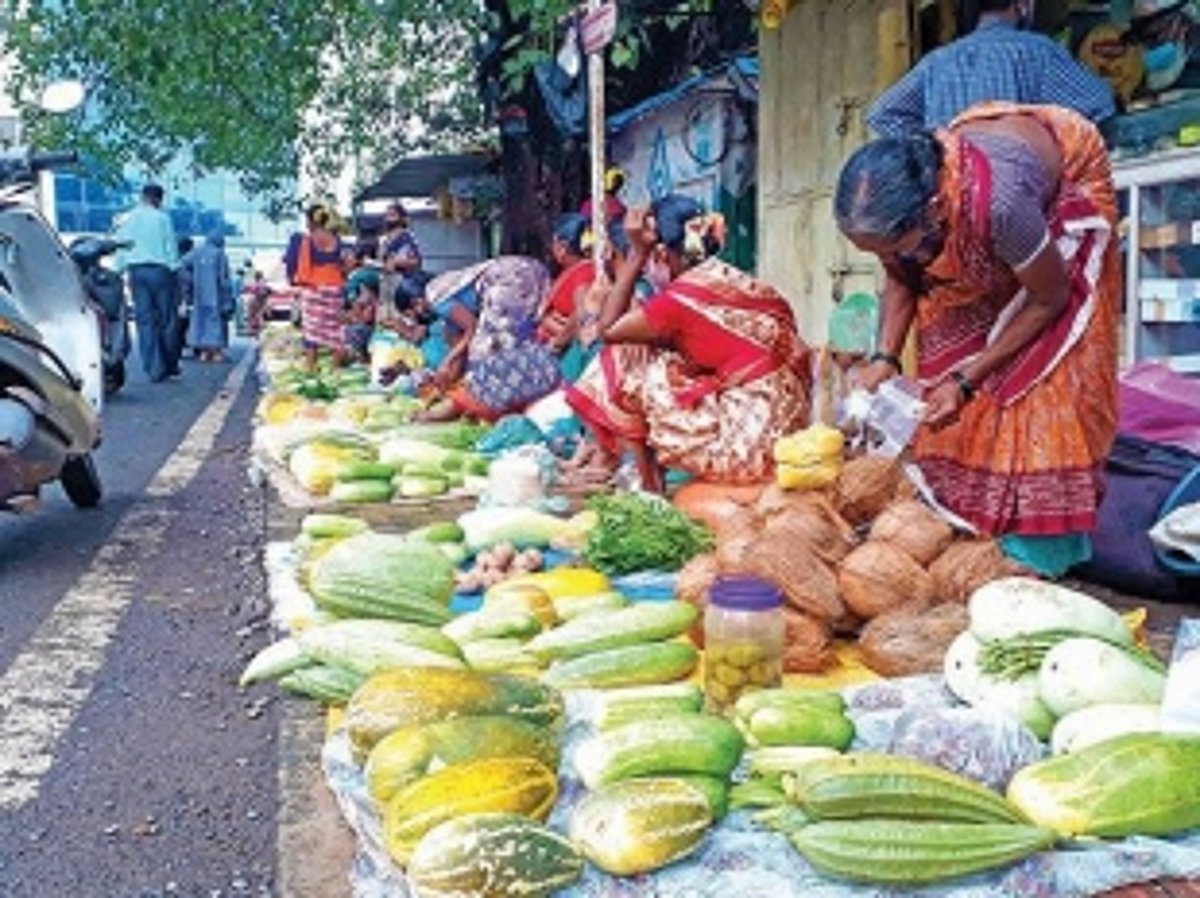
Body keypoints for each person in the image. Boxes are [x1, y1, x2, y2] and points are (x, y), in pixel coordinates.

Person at [834, 101, 1121, 576]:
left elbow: (1051, 298)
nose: (892, 258)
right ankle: (967, 529)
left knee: (1037, 389)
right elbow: (902, 275)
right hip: (983, 214)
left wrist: (968, 379)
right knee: (944, 394)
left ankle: (1034, 563)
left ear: (931, 210)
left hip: (1062, 201)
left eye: (898, 247)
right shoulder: (902, 220)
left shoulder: (1001, 205)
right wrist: (885, 357)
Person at [563, 195, 813, 493]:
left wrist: (635, 255)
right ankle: (639, 474)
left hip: (747, 449)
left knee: (624, 357)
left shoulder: (679, 300)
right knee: (661, 355)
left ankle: (649, 485)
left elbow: (608, 331)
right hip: (790, 434)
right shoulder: (738, 281)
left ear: (660, 254)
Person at [865, 0, 1115, 138]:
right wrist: (1047, 136)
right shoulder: (1037, 51)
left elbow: (882, 115)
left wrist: (935, 149)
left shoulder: (937, 62)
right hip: (1024, 197)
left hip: (955, 208)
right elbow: (1100, 103)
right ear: (1024, 4)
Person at [395, 256, 561, 422]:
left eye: (410, 315)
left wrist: (448, 361)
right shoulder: (445, 299)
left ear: (417, 303)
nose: (414, 321)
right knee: (519, 343)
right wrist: (448, 373)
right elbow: (459, 345)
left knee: (488, 352)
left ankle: (490, 407)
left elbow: (472, 328)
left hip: (509, 280)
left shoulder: (435, 298)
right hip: (529, 270)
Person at [115, 183, 182, 383]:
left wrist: (120, 269)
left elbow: (121, 247)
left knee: (145, 321)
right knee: (167, 320)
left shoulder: (128, 219)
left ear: (142, 197)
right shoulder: (162, 218)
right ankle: (169, 364)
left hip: (137, 272)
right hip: (161, 272)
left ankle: (153, 367)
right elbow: (170, 246)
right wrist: (175, 269)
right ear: (158, 199)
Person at [284, 204, 347, 369]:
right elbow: (342, 264)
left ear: (310, 221)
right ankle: (335, 369)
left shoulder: (307, 239)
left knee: (312, 333)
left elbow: (291, 265)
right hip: (335, 289)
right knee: (335, 330)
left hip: (314, 290)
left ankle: (311, 367)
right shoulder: (336, 239)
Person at [540, 213, 596, 380]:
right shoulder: (577, 270)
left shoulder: (584, 272)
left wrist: (556, 343)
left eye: (553, 243)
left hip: (563, 355)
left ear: (562, 246)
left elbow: (583, 311)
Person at [183, 230, 235, 362]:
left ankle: (204, 352)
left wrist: (191, 281)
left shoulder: (196, 252)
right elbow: (224, 279)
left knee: (201, 321)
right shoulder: (220, 254)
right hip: (216, 294)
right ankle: (216, 352)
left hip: (199, 294)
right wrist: (228, 298)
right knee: (216, 322)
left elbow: (182, 265)